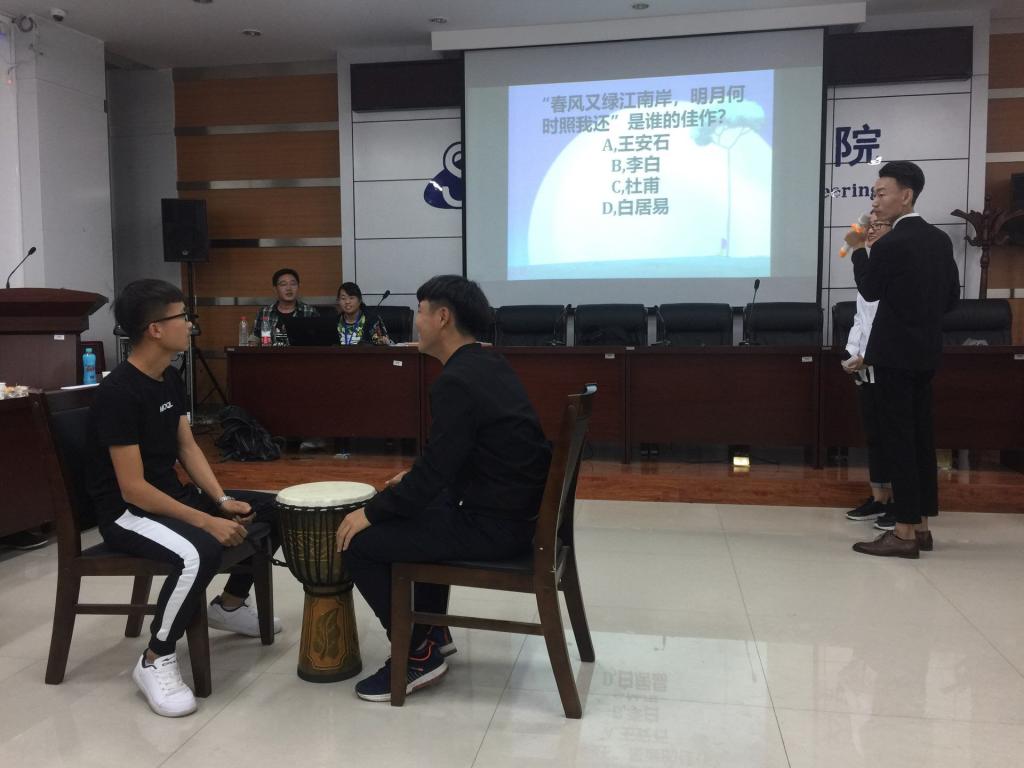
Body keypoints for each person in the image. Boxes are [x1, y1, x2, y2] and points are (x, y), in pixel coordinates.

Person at [335, 275, 552, 702]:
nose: (416, 322)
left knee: (359, 543)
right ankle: (432, 630)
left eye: (420, 311)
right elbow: (457, 456)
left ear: (443, 317)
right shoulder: (489, 364)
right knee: (419, 507)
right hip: (513, 513)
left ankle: (417, 652)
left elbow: (436, 473)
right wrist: (416, 478)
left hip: (496, 526)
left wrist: (370, 513)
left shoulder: (456, 381)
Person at [88, 279, 282, 718]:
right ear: (155, 329)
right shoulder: (119, 392)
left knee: (272, 509)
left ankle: (229, 605)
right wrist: (206, 522)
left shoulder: (169, 377)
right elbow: (133, 489)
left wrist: (220, 500)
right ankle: (155, 657)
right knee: (199, 552)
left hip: (170, 498)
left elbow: (187, 446)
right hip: (127, 513)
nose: (190, 324)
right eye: (182, 317)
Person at [846, 161, 959, 558]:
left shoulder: (892, 243)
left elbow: (870, 289)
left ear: (906, 195)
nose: (874, 202)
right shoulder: (939, 240)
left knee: (899, 442)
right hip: (926, 353)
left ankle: (904, 532)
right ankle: (923, 526)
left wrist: (859, 251)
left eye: (881, 193)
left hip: (892, 356)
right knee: (922, 440)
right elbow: (951, 299)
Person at [843, 214, 895, 526]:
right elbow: (861, 321)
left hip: (889, 367)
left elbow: (888, 324)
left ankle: (900, 503)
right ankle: (879, 499)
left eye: (878, 226)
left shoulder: (896, 269)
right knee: (875, 437)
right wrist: (853, 353)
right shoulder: (870, 271)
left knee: (895, 438)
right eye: (869, 226)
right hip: (865, 369)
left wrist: (869, 356)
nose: (870, 231)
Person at [254, 268, 318, 346]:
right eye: (283, 284)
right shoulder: (264, 312)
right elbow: (254, 337)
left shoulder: (309, 312)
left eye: (293, 284)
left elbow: (318, 341)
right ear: (275, 289)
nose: (289, 288)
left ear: (299, 286)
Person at [336, 282, 389, 346]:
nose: (347, 302)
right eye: (343, 298)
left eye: (351, 298)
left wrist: (382, 341)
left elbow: (383, 344)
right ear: (338, 301)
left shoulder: (371, 320)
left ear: (360, 300)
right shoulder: (335, 321)